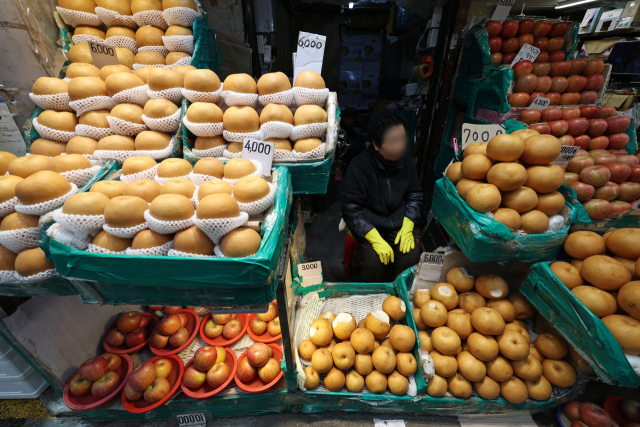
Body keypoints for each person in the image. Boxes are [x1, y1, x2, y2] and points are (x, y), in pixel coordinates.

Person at [340, 109, 423, 282]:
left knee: (410, 257)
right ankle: (372, 298)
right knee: (373, 263)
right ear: (376, 145)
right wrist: (375, 238)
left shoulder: (407, 161)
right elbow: (351, 209)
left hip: (398, 222)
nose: (399, 146)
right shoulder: (360, 166)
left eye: (401, 139)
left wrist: (409, 223)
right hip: (368, 223)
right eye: (392, 141)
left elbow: (414, 193)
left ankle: (395, 294)